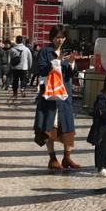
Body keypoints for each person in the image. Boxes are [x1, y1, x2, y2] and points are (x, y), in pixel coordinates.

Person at [34, 25, 80, 171]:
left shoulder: (66, 52)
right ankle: (52, 158)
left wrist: (72, 62)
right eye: (57, 37)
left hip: (64, 93)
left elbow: (71, 74)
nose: (60, 40)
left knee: (66, 124)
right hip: (50, 93)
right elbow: (39, 69)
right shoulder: (45, 52)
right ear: (52, 37)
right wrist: (55, 63)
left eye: (62, 37)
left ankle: (67, 157)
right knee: (49, 125)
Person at [8, 33, 33, 99]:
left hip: (14, 68)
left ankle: (15, 93)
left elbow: (9, 59)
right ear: (22, 41)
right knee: (24, 79)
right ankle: (22, 88)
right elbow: (30, 59)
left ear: (16, 41)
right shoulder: (26, 49)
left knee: (15, 80)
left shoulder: (12, 49)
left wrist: (10, 67)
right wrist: (29, 67)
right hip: (24, 67)